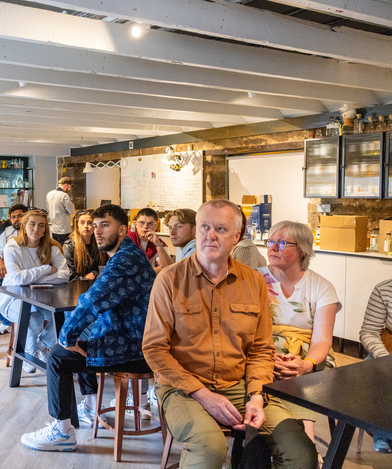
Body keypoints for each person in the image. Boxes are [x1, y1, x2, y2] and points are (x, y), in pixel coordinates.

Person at [143, 199, 317, 469]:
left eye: (220, 229)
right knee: (209, 448)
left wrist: (257, 395)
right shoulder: (169, 280)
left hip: (239, 384)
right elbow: (154, 349)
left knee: (300, 453)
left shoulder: (254, 282)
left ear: (237, 236)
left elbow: (261, 349)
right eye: (204, 227)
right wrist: (203, 394)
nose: (210, 236)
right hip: (183, 389)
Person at [20, 204, 155, 452]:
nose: (97, 231)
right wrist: (73, 334)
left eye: (105, 225)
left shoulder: (125, 260)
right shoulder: (128, 253)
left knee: (59, 355)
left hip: (135, 349)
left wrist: (65, 337)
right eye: (96, 226)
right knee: (83, 335)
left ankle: (62, 433)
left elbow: (92, 300)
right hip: (133, 335)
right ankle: (92, 406)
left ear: (123, 230)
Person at [257, 220, 340, 443]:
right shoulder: (254, 279)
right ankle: (301, 445)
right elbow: (241, 330)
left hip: (309, 356)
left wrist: (306, 364)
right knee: (271, 374)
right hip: (262, 351)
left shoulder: (321, 287)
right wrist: (267, 357)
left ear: (302, 250)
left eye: (282, 243)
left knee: (298, 378)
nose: (272, 248)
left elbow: (322, 340)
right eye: (270, 241)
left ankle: (300, 444)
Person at [0, 209, 70, 373]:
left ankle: (39, 346)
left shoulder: (52, 248)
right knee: (34, 315)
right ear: (24, 225)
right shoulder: (12, 246)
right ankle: (31, 353)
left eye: (41, 225)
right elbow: (17, 279)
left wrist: (31, 279)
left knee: (67, 316)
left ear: (45, 229)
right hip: (12, 300)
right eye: (32, 224)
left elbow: (64, 275)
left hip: (43, 299)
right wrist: (46, 269)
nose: (36, 229)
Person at [359, 278, 392, 453]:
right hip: (387, 352)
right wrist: (384, 358)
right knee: (367, 378)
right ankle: (382, 432)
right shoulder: (384, 289)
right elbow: (369, 332)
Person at [0, 203, 29, 335]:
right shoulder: (7, 232)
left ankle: (22, 323)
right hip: (11, 276)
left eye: (20, 216)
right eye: (13, 217)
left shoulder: (32, 230)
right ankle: (7, 322)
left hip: (28, 277)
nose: (16, 219)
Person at [63, 209, 107, 280]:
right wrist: (85, 279)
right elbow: (69, 275)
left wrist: (94, 273)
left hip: (97, 284)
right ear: (77, 226)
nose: (86, 226)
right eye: (82, 223)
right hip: (77, 286)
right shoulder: (69, 245)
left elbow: (105, 268)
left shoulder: (101, 243)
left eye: (90, 223)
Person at [127, 207, 170, 273]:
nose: (145, 227)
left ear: (156, 226)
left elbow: (167, 268)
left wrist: (158, 244)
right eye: (142, 222)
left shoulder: (159, 243)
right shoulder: (127, 239)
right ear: (136, 224)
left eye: (150, 223)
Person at [46, 176, 75, 245]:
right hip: (64, 230)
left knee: (56, 248)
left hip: (54, 229)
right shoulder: (64, 195)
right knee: (64, 251)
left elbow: (48, 208)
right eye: (70, 187)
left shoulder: (49, 194)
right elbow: (71, 211)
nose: (70, 189)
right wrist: (72, 204)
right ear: (66, 185)